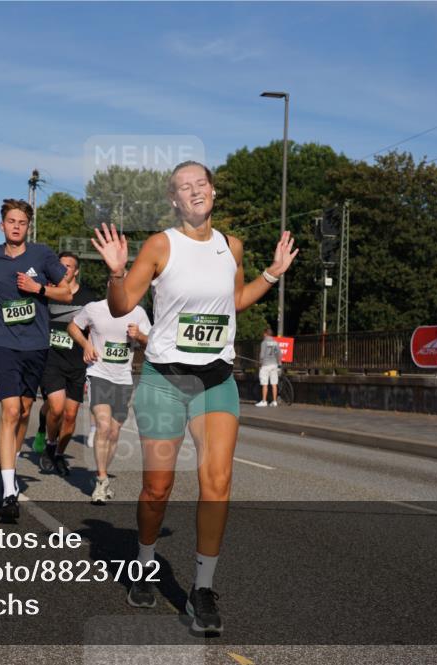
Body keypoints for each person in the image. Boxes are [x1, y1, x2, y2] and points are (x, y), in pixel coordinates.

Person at [91, 161, 298, 632]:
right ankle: (144, 561)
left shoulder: (232, 246)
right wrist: (117, 273)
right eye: (184, 187)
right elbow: (122, 306)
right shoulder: (160, 245)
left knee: (217, 482)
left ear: (213, 191)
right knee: (158, 488)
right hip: (165, 380)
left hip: (216, 381)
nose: (195, 191)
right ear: (174, 200)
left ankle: (202, 590)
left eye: (201, 183)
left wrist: (271, 273)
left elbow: (234, 301)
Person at [0, 198, 73, 521]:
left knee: (24, 410)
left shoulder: (42, 255)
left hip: (36, 344)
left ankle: (9, 457)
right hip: (4, 343)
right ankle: (9, 492)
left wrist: (39, 288)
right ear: (2, 225)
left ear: (28, 227)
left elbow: (66, 292)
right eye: (11, 221)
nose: (16, 227)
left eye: (22, 222)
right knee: (10, 410)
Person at [67, 297, 150, 504]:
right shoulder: (94, 308)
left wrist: (140, 336)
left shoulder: (138, 312)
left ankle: (103, 474)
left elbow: (152, 342)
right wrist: (86, 344)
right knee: (103, 426)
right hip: (98, 373)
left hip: (124, 378)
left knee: (114, 432)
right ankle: (101, 479)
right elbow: (73, 327)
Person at [33, 252, 97, 476]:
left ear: (76, 271)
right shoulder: (48, 294)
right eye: (61, 266)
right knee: (57, 407)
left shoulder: (89, 298)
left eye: (69, 266)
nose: (65, 269)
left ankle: (58, 453)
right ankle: (50, 443)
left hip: (77, 362)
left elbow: (95, 328)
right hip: (51, 359)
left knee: (70, 415)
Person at [257, 327, 281, 407]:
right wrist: (279, 364)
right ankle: (274, 401)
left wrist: (260, 364)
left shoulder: (264, 343)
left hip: (265, 365)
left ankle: (264, 401)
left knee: (265, 384)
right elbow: (279, 354)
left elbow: (262, 355)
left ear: (265, 334)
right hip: (274, 365)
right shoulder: (275, 342)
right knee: (274, 384)